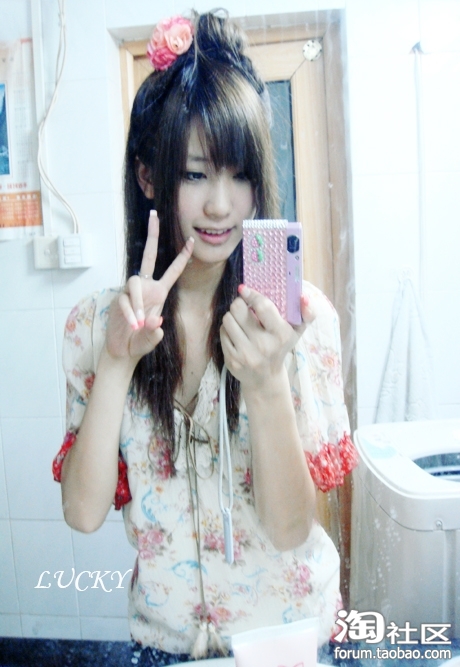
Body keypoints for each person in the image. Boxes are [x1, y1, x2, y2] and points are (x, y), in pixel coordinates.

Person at [52, 9, 358, 665]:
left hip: (285, 637)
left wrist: (267, 382)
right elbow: (82, 513)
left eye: (239, 173)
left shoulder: (301, 320)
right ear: (148, 177)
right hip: (164, 641)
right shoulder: (94, 325)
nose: (222, 204)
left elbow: (290, 529)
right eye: (195, 174)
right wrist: (116, 362)